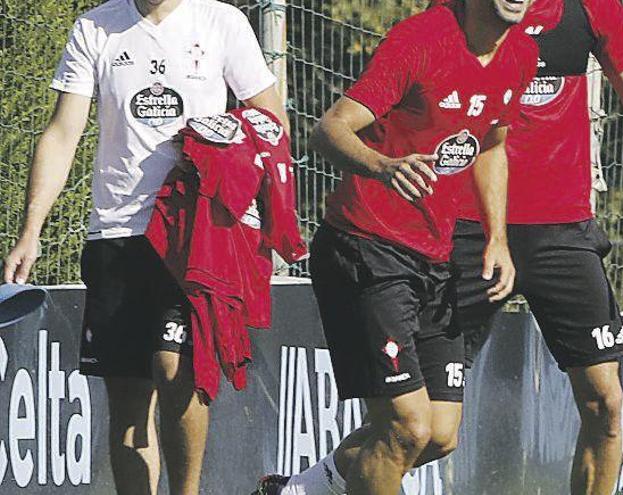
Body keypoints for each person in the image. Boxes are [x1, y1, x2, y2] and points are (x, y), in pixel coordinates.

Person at [2, 0, 288, 493]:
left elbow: (271, 121)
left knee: (175, 366)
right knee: (129, 399)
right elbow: (63, 132)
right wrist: (31, 229)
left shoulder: (221, 21)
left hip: (192, 235)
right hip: (115, 233)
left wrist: (224, 142)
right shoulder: (96, 26)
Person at [253, 0, 537, 493]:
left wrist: (498, 237)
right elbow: (329, 129)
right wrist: (384, 166)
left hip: (435, 258)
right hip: (366, 246)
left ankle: (300, 488)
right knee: (406, 426)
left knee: (440, 434)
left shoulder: (522, 54)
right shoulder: (421, 40)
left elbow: (490, 143)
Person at [451, 0, 623, 493]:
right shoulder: (465, 8)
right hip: (475, 227)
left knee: (606, 404)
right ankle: (315, 483)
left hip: (563, 231)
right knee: (424, 429)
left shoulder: (592, 8)